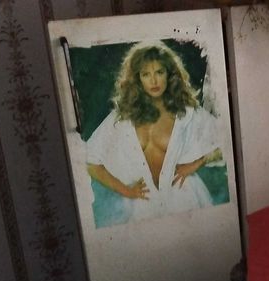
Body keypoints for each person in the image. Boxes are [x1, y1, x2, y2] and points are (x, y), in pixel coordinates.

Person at [86, 41, 225, 227]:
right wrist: (126, 191)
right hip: (143, 208)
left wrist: (196, 164)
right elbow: (91, 162)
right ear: (137, 79)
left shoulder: (186, 112)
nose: (154, 81)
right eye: (146, 74)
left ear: (170, 74)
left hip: (185, 199)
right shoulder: (122, 118)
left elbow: (227, 143)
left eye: (159, 72)